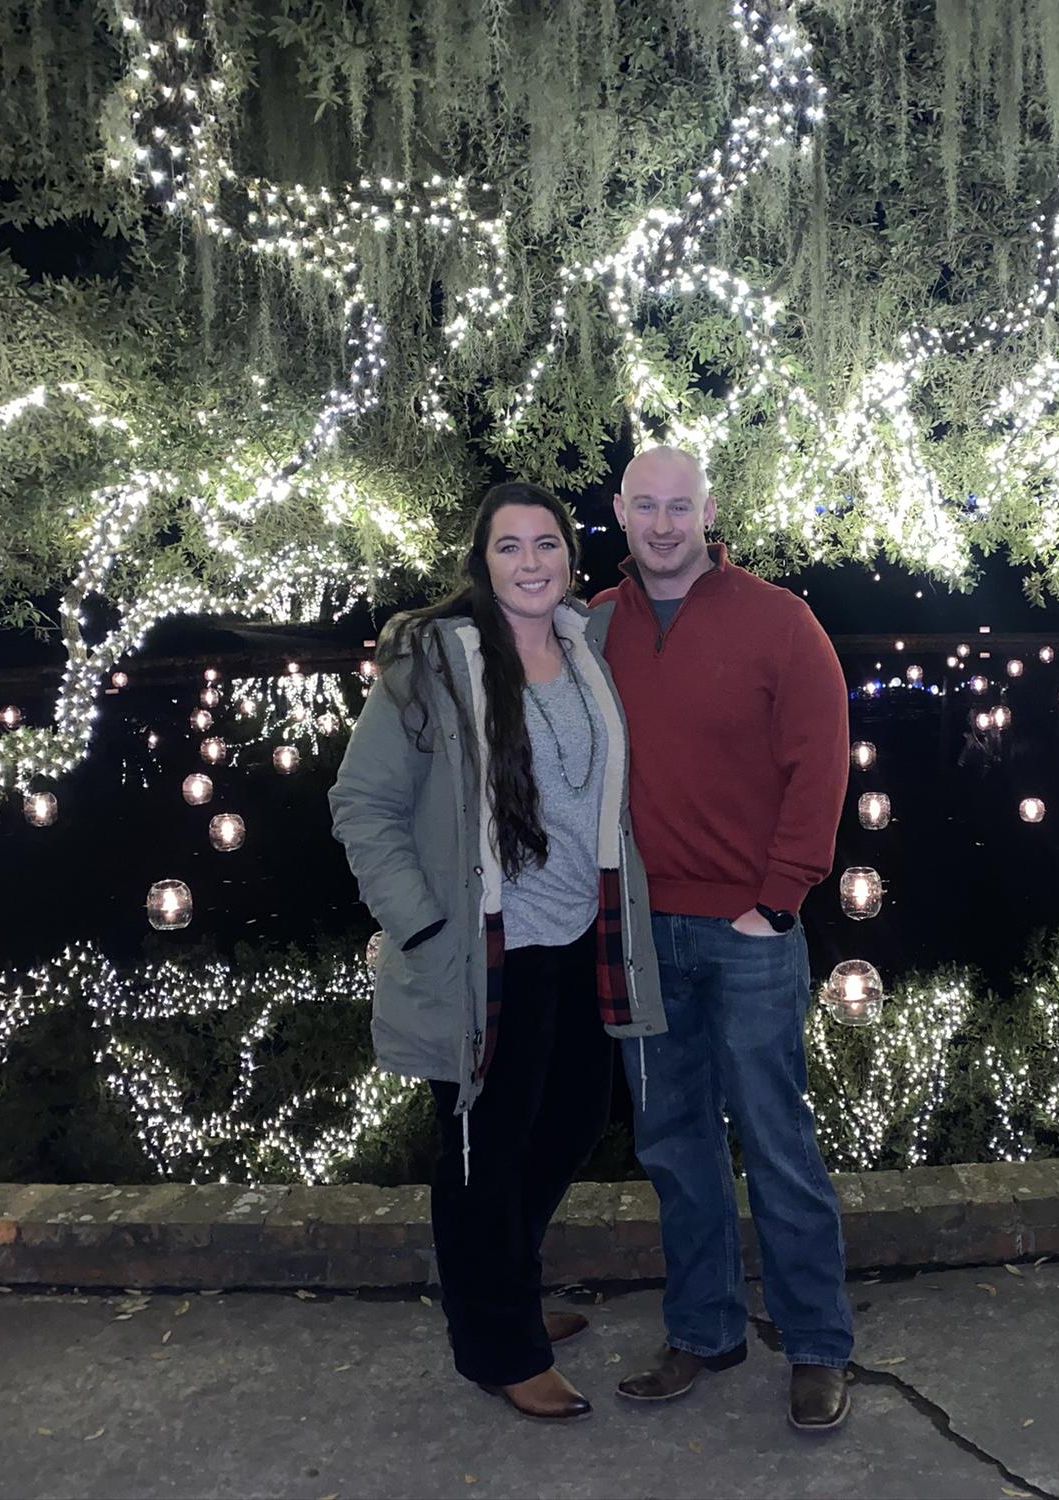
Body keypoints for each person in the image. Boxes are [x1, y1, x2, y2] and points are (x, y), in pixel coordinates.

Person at [329, 480, 667, 1423]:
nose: (530, 563)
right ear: (482, 562)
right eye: (509, 547)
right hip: (482, 955)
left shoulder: (588, 649)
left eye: (547, 545)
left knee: (569, 1125)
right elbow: (362, 806)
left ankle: (503, 1291)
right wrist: (425, 924)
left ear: (571, 556)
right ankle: (498, 1347)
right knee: (480, 1150)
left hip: (576, 939)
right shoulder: (431, 664)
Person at [593, 445, 856, 1431]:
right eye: (645, 506)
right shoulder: (594, 629)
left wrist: (779, 898)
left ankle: (818, 1340)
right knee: (672, 1144)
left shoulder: (778, 624)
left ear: (707, 512)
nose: (663, 525)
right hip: (639, 933)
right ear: (619, 512)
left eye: (680, 507)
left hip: (748, 931)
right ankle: (703, 1330)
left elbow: (819, 761)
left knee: (776, 1139)